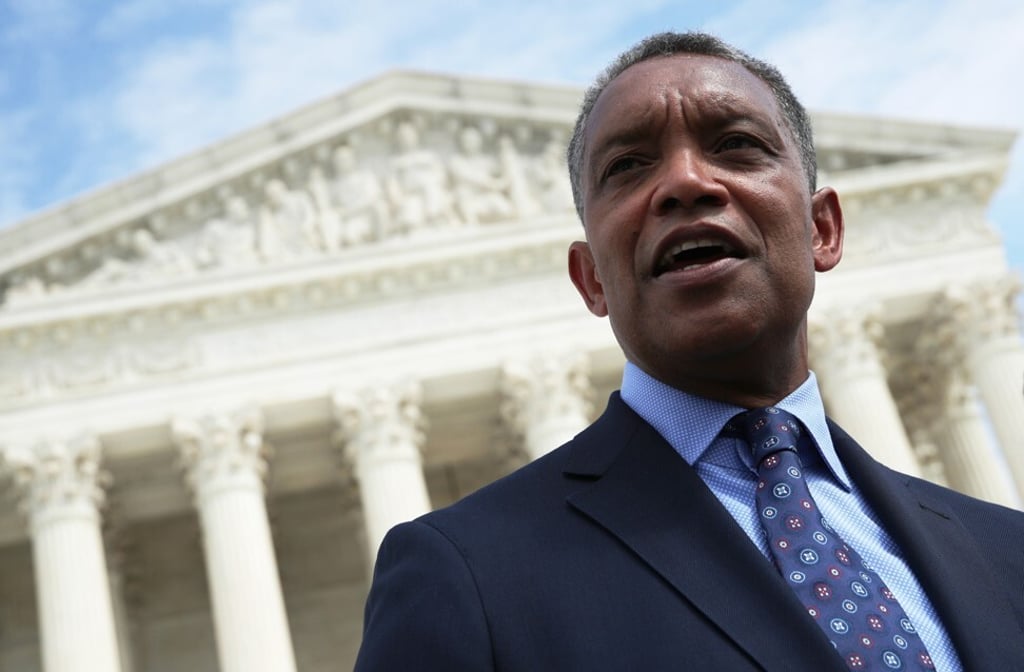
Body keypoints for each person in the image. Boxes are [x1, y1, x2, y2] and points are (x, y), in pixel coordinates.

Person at [354, 32, 1024, 671]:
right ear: (591, 280)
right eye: (628, 166)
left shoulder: (1006, 551)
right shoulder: (468, 573)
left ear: (822, 229)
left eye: (735, 145)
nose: (685, 182)